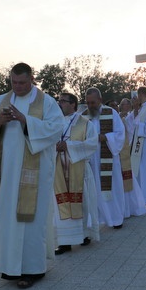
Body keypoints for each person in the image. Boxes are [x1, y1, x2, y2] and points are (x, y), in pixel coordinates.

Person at [0, 62, 63, 289]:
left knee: (32, 221)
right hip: (8, 173)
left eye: (22, 82)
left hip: (35, 173)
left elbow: (56, 128)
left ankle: (33, 269)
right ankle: (10, 267)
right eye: (13, 82)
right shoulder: (1, 101)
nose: (17, 87)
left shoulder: (46, 102)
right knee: (9, 218)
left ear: (31, 79)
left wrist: (26, 120)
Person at [53, 92, 100, 255]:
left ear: (73, 104)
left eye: (63, 101)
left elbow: (92, 143)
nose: (60, 104)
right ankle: (65, 242)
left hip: (78, 169)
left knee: (82, 202)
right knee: (62, 203)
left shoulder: (85, 123)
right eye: (59, 101)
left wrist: (69, 146)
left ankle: (84, 234)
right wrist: (55, 147)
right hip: (59, 169)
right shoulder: (55, 122)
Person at [82, 87, 126, 229]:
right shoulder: (83, 116)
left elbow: (120, 134)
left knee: (111, 188)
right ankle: (94, 220)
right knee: (92, 190)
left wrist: (105, 137)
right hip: (90, 159)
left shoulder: (111, 113)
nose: (90, 106)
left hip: (107, 157)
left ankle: (115, 218)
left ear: (100, 100)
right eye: (88, 103)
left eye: (93, 103)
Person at [118, 97, 146, 218]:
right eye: (124, 104)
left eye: (128, 104)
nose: (126, 106)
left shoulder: (129, 116)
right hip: (119, 150)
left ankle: (132, 205)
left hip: (128, 147)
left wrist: (136, 109)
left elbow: (133, 125)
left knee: (129, 178)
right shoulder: (117, 116)